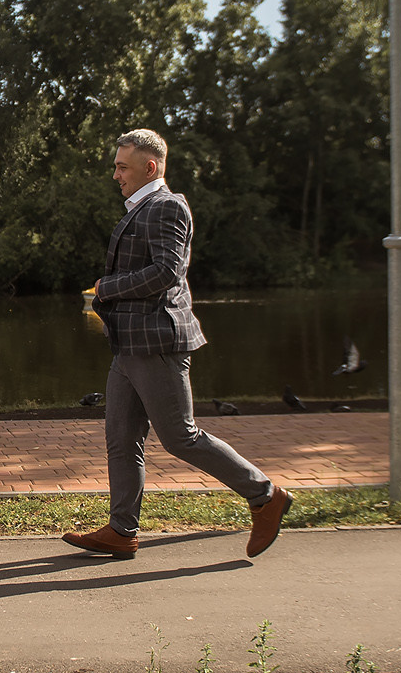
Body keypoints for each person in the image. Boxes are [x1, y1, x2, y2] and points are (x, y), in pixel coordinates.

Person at [66, 128, 294, 560]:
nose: (115, 174)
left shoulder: (166, 206)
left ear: (149, 167)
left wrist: (107, 288)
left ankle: (265, 495)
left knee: (180, 437)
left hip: (157, 342)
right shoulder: (141, 207)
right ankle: (121, 530)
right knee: (120, 437)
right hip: (130, 344)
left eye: (122, 166)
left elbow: (167, 272)